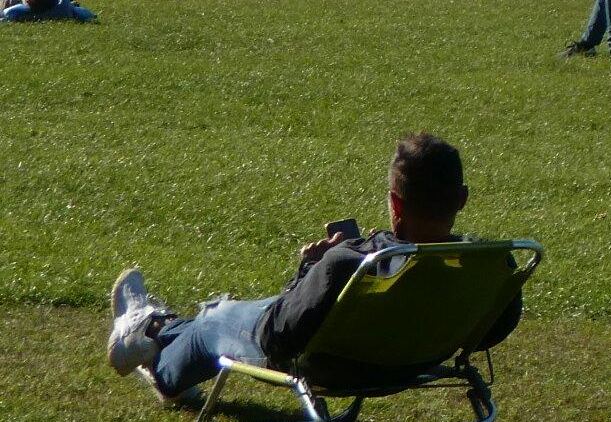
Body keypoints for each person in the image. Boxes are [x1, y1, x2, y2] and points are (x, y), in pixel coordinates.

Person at [106, 133, 521, 402]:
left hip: (332, 365)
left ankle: (152, 343)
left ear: (395, 202)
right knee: (219, 319)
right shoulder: (491, 264)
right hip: (414, 362)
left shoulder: (349, 263)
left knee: (216, 319)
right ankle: (157, 326)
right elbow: (494, 331)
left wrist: (310, 268)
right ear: (462, 199)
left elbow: (281, 338)